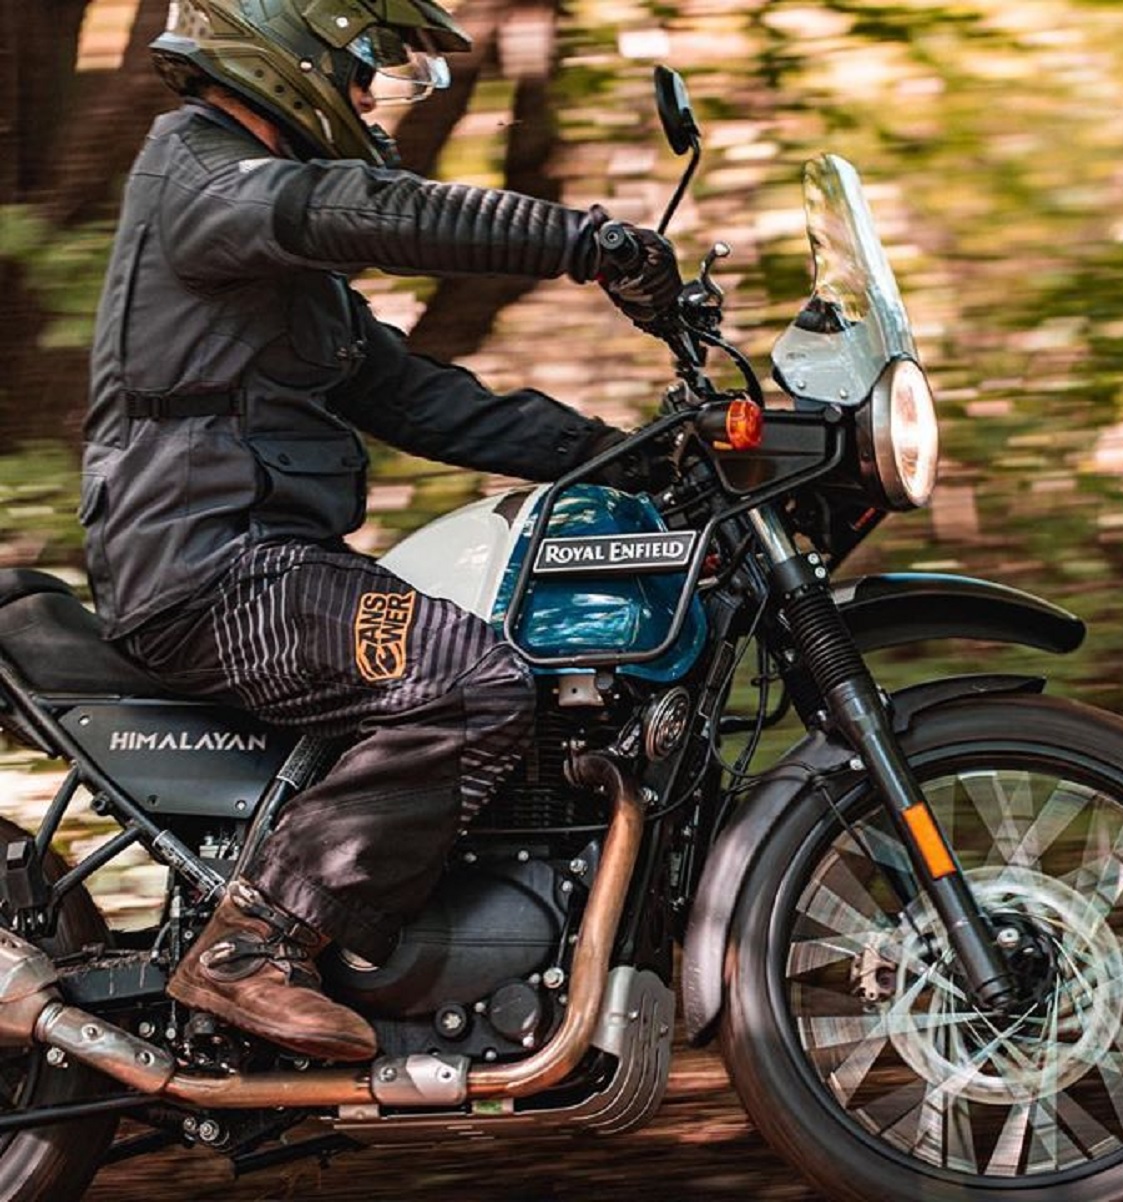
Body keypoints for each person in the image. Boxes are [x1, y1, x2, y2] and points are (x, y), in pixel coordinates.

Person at [78, 0, 681, 1063]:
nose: (372, 98)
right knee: (465, 678)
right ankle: (251, 946)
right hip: (206, 566)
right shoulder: (204, 175)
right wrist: (582, 240)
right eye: (368, 70)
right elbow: (363, 205)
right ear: (295, 50)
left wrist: (636, 452)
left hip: (264, 561)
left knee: (510, 674)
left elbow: (427, 403)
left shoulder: (279, 260)